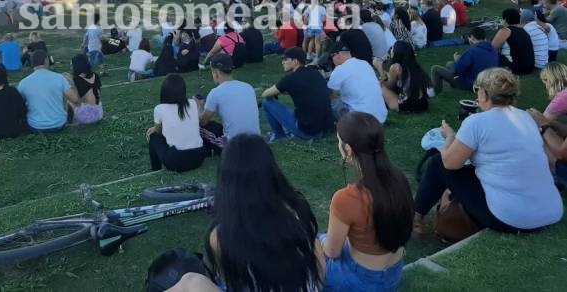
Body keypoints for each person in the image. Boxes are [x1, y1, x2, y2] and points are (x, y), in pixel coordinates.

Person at [414, 68, 563, 233]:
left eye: (477, 91)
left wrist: (449, 136)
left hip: (512, 219)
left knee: (437, 163)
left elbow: (450, 163)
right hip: (551, 212)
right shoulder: (527, 118)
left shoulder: (476, 122)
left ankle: (416, 219)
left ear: (484, 94)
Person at [169, 134, 324, 292]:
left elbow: (227, 281)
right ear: (271, 170)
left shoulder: (221, 235)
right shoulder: (297, 207)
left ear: (226, 180)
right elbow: (319, 268)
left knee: (191, 281)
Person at [321, 112, 412, 291]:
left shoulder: (346, 198)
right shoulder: (400, 180)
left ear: (348, 149)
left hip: (361, 280)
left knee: (314, 242)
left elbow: (332, 252)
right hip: (394, 273)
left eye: (339, 141)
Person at [262, 47, 335, 142]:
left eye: (285, 59)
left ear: (295, 61)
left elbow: (265, 94)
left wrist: (278, 92)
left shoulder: (289, 79)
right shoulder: (316, 74)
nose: (282, 62)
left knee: (266, 102)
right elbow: (325, 93)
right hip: (326, 129)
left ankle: (279, 136)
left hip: (308, 131)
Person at [198, 54, 260, 152]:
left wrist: (200, 107)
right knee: (216, 126)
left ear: (216, 73)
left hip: (235, 147)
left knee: (198, 129)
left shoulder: (215, 92)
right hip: (257, 142)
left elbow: (203, 122)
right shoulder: (248, 87)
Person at [145, 74, 205, 173]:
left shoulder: (160, 109)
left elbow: (159, 131)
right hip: (198, 158)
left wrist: (155, 128)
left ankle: (155, 169)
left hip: (176, 161)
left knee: (154, 136)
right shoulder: (193, 103)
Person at [17, 50, 79, 133]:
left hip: (35, 126)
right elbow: (75, 99)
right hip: (59, 124)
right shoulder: (59, 78)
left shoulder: (23, 83)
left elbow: (19, 105)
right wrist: (72, 83)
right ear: (46, 60)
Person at [328, 43, 387, 124]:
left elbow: (330, 94)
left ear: (337, 54)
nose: (332, 60)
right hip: (381, 118)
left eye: (332, 57)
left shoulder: (339, 69)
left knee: (331, 100)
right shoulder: (365, 64)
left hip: (359, 121)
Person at [430, 27, 498, 95]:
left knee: (435, 69)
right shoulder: (493, 50)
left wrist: (457, 60)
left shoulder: (473, 51)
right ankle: (452, 84)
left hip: (471, 84)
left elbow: (458, 69)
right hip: (487, 82)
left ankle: (436, 92)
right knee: (449, 64)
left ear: (472, 38)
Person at [381, 41, 429, 112]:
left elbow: (390, 86)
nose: (391, 50)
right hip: (423, 103)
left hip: (409, 105)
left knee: (382, 87)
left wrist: (380, 70)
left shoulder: (396, 67)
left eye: (392, 48)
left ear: (397, 52)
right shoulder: (414, 66)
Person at [491, 8, 535, 75]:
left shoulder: (505, 31)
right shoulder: (523, 30)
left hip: (516, 68)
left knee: (487, 53)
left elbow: (492, 48)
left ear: (505, 19)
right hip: (529, 68)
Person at [69, 54, 103, 125]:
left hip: (86, 118)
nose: (71, 67)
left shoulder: (76, 80)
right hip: (99, 113)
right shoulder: (95, 75)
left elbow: (75, 99)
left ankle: (69, 122)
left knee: (69, 100)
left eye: (72, 65)